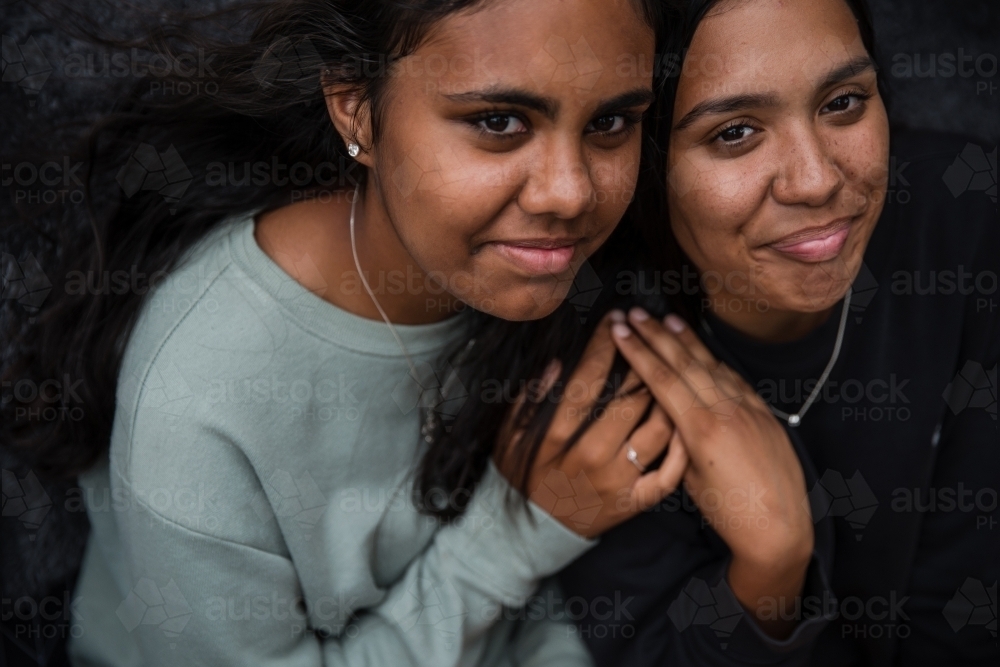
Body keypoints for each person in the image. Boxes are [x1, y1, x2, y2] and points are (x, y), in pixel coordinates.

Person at [0, 1, 692, 665]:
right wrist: (517, 530)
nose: (569, 193)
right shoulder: (198, 402)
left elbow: (563, 617)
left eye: (610, 123)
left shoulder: (561, 284)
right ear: (355, 106)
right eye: (499, 120)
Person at [556, 0, 999, 665]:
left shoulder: (969, 222)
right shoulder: (590, 352)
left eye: (844, 102)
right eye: (734, 132)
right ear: (643, 163)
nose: (817, 179)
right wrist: (773, 566)